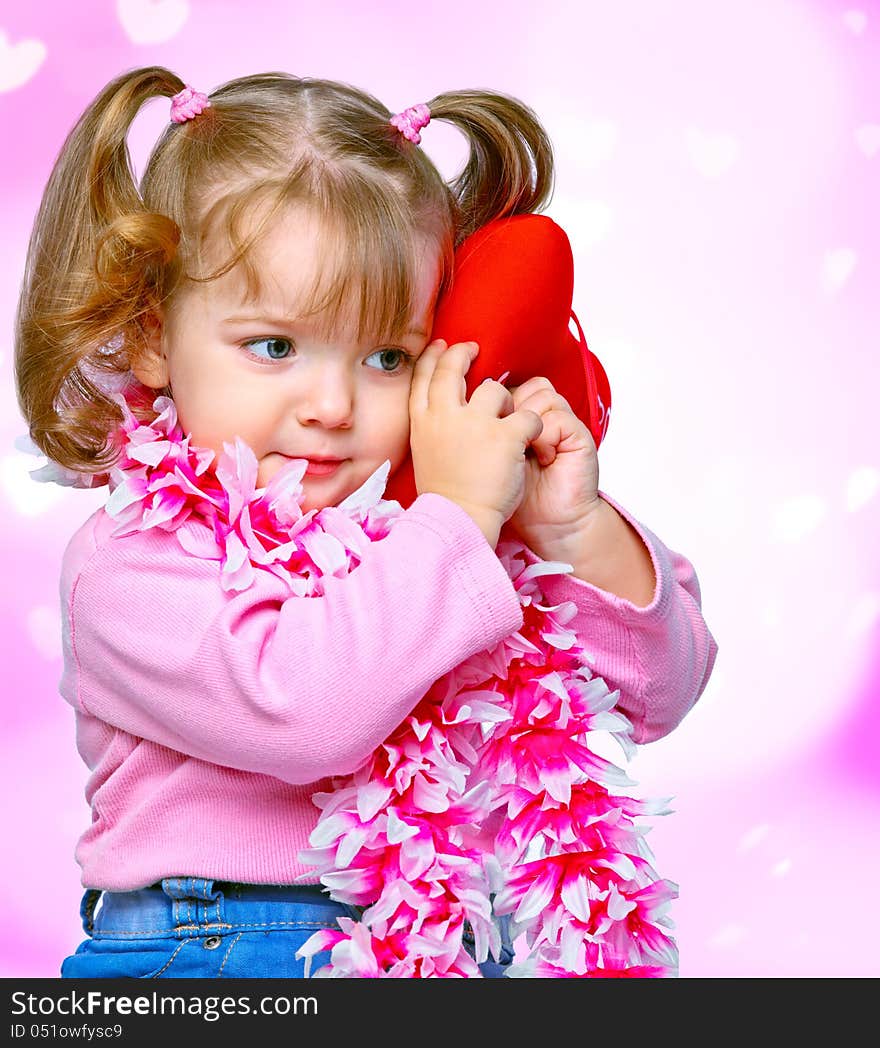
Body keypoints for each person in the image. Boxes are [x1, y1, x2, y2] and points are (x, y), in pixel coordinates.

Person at [14, 67, 718, 979]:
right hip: (220, 951)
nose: (334, 404)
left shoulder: (437, 540)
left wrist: (570, 531)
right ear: (153, 334)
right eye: (274, 347)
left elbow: (665, 689)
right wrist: (460, 515)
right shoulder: (131, 564)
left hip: (450, 950)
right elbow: (305, 710)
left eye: (389, 356)